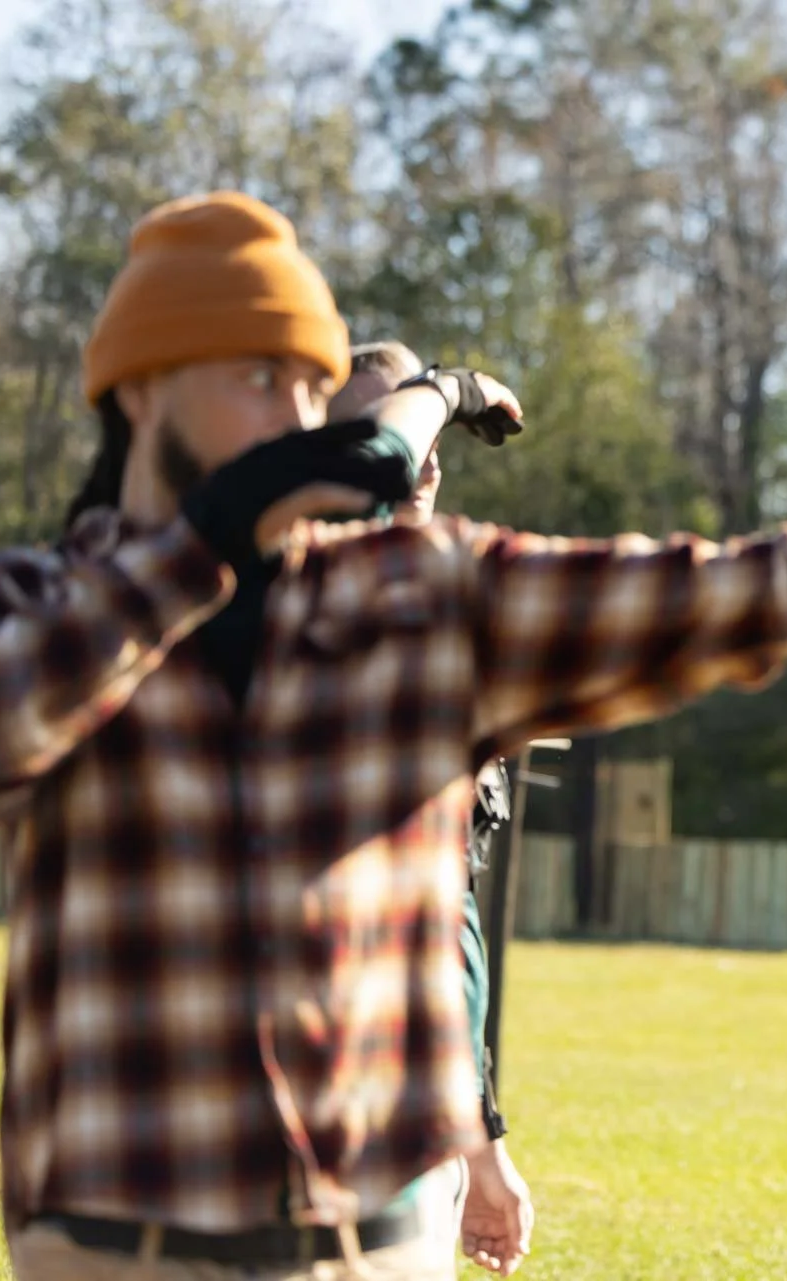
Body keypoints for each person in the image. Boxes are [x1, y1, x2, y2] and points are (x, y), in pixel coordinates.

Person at [0, 189, 787, 1280]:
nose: (305, 424)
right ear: (139, 390)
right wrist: (201, 548)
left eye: (314, 385)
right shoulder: (18, 608)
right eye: (261, 381)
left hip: (371, 1249)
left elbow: (733, 592)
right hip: (114, 1249)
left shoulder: (418, 603)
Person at [327, 341, 534, 1277]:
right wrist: (448, 385)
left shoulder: (449, 626)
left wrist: (480, 1140)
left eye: (429, 426)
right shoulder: (301, 619)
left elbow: (447, 926)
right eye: (396, 420)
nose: (424, 449)